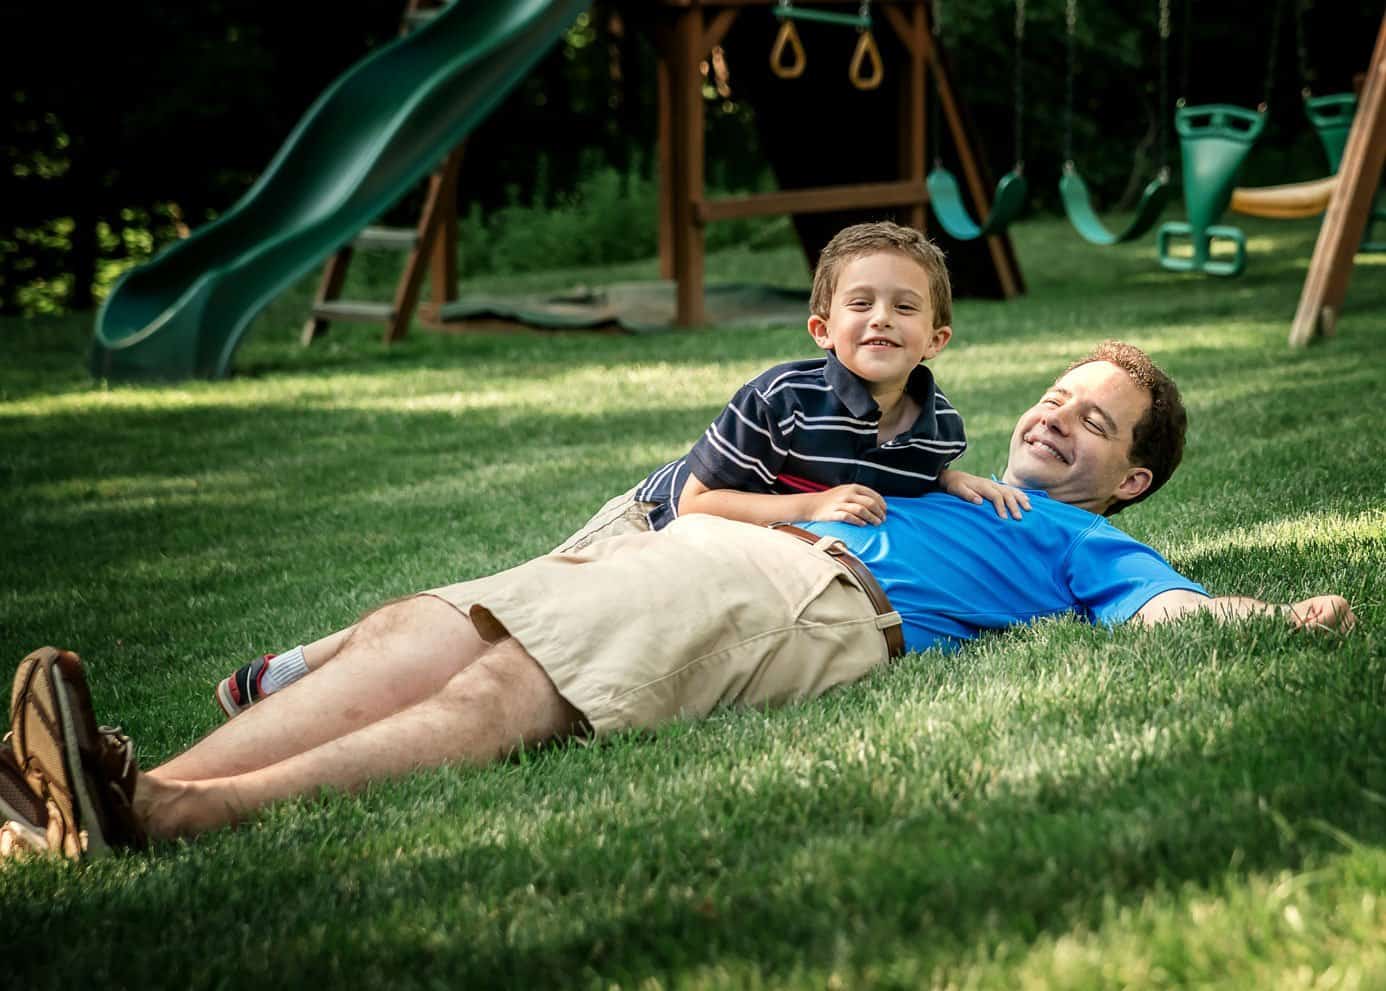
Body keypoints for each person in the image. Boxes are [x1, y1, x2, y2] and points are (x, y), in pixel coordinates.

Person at [2, 341, 1355, 861]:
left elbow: (1165, 614)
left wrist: (1269, 615)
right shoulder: (930, 462)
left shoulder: (1079, 541)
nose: (1057, 416)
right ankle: (111, 792)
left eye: (1095, 420)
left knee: (510, 685)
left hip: (804, 593)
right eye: (1056, 396)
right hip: (693, 541)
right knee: (424, 630)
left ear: (1131, 479)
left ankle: (170, 815)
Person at [213, 221, 1029, 718]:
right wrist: (806, 511)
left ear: (937, 338)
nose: (881, 319)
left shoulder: (939, 424)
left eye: (904, 306)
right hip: (657, 519)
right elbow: (702, 501)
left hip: (714, 563)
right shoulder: (782, 396)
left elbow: (908, 470)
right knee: (497, 611)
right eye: (860, 303)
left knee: (536, 641)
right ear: (822, 327)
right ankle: (293, 670)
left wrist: (958, 480)